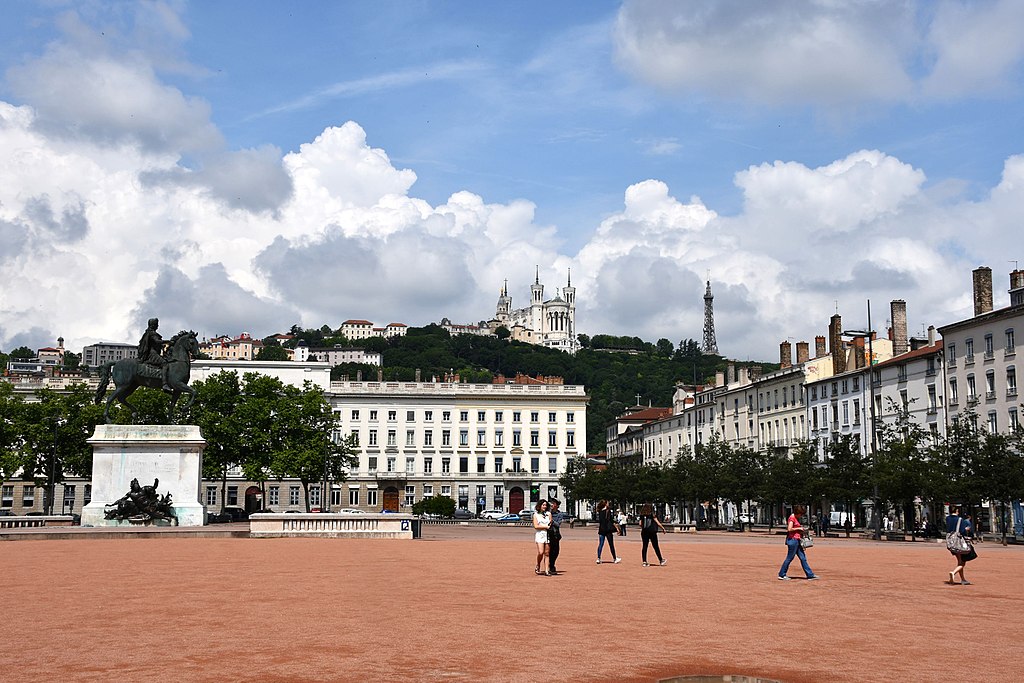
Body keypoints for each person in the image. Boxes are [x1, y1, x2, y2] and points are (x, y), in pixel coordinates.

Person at [778, 504, 817, 581]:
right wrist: (799, 528)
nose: (801, 516)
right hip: (793, 540)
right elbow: (789, 529)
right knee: (789, 558)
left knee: (803, 558)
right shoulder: (792, 518)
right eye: (800, 514)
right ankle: (782, 574)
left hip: (797, 540)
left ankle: (810, 575)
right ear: (797, 512)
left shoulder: (795, 518)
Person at [137, 317, 172, 391]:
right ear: (153, 325)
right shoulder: (152, 333)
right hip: (152, 354)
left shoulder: (148, 333)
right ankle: (164, 384)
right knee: (165, 363)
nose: (158, 326)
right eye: (157, 324)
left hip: (154, 352)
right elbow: (157, 341)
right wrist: (168, 341)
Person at [946, 507, 978, 585]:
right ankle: (953, 573)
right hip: (958, 542)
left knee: (959, 561)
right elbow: (962, 531)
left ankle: (963, 579)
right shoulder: (960, 519)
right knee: (962, 563)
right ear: (956, 511)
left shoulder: (948, 518)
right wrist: (966, 530)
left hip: (951, 542)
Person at [595, 500, 621, 564]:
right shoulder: (608, 511)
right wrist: (617, 527)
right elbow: (611, 520)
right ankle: (615, 558)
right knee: (611, 544)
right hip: (608, 530)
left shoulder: (600, 511)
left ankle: (598, 558)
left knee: (601, 544)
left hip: (601, 529)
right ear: (605, 504)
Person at [532, 499, 552, 576]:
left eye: (546, 505)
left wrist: (548, 527)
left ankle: (547, 570)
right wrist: (545, 527)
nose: (544, 506)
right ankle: (538, 564)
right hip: (540, 534)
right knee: (541, 552)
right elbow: (536, 526)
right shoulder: (536, 515)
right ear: (539, 506)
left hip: (547, 534)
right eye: (543, 505)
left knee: (547, 553)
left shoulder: (548, 514)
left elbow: (550, 522)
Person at [547, 499, 563, 574]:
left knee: (556, 551)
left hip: (555, 535)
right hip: (547, 534)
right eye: (551, 503)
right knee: (548, 551)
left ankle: (552, 564)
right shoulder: (547, 513)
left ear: (557, 505)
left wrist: (552, 521)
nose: (551, 505)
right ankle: (550, 566)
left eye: (553, 503)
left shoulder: (559, 514)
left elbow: (558, 524)